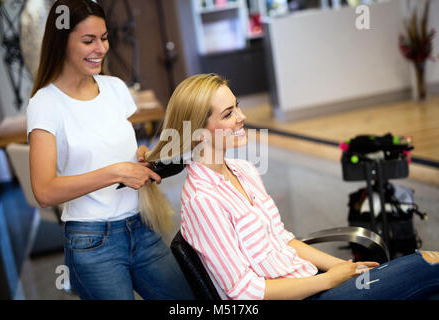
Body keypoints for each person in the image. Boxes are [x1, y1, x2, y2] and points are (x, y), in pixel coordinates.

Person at [140, 73, 439, 300]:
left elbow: (283, 239)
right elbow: (242, 292)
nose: (242, 117)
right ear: (199, 133)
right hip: (307, 294)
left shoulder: (243, 170)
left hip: (312, 283)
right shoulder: (203, 201)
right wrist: (329, 280)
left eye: (237, 107)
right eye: (228, 114)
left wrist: (344, 269)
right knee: (428, 265)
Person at [27, 0, 194, 300]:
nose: (101, 48)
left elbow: (110, 146)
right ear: (62, 42)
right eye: (88, 40)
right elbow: (44, 191)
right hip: (92, 243)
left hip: (142, 226)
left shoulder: (115, 87)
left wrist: (139, 156)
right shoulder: (45, 104)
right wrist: (115, 172)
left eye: (103, 38)